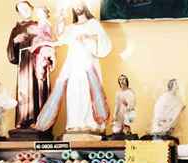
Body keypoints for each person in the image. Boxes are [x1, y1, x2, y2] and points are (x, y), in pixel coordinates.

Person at [34, 0, 111, 134]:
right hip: (74, 65)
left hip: (88, 64)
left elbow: (103, 42)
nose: (77, 8)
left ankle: (90, 123)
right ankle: (75, 123)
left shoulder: (93, 24)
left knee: (88, 92)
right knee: (73, 92)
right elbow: (60, 38)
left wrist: (87, 38)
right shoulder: (71, 27)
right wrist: (61, 19)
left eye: (79, 4)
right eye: (75, 6)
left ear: (85, 6)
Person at [7, 1, 43, 129]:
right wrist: (15, 41)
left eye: (26, 7)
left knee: (37, 90)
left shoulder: (40, 25)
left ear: (31, 8)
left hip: (37, 61)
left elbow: (48, 41)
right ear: (19, 12)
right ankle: (23, 120)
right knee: (24, 90)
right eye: (21, 9)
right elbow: (11, 53)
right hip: (23, 63)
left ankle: (37, 120)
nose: (24, 10)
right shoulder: (16, 29)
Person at [30, 5, 56, 108]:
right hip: (40, 50)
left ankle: (44, 106)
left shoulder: (45, 23)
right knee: (39, 75)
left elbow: (47, 38)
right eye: (38, 12)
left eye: (40, 12)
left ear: (45, 13)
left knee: (41, 75)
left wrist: (36, 39)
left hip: (44, 50)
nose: (38, 14)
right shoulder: (41, 23)